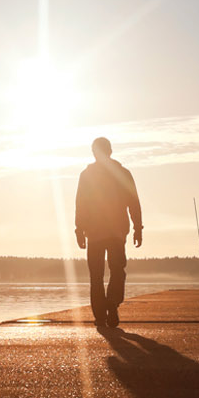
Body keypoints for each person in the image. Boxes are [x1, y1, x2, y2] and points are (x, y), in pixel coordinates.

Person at [74, 137, 142, 328]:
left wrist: (79, 229)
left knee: (96, 276)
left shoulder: (87, 175)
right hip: (116, 232)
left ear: (95, 152)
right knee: (117, 271)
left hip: (96, 233)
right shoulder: (122, 173)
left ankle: (101, 316)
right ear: (110, 151)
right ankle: (111, 305)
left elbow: (81, 204)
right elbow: (134, 203)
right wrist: (137, 228)